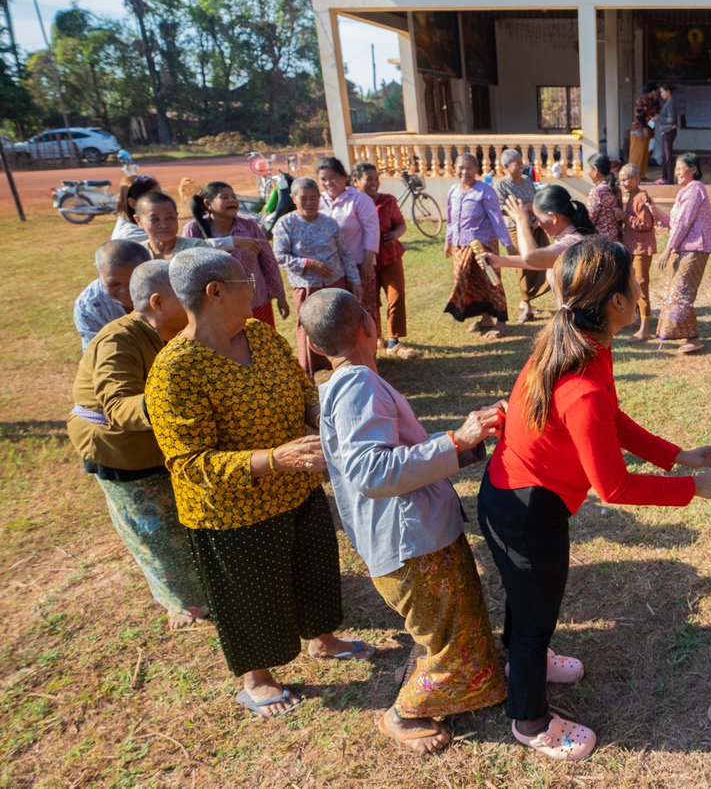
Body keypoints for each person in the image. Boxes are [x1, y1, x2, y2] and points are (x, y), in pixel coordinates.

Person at [477, 236, 711, 760]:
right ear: (617, 304)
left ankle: (520, 660)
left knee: (530, 598)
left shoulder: (581, 342)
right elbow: (614, 487)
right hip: (525, 508)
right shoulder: (580, 374)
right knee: (536, 611)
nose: (640, 287)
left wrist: (680, 457)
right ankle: (530, 720)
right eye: (633, 283)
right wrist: (697, 489)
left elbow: (610, 421)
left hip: (524, 498)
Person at [146, 248, 371, 719]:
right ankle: (258, 678)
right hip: (232, 511)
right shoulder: (174, 371)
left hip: (297, 487)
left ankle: (323, 640)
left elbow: (300, 385)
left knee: (312, 567)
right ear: (214, 293)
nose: (255, 288)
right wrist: (276, 459)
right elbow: (189, 462)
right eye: (245, 282)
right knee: (251, 593)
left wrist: (318, 414)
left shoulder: (259, 335)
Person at [302, 289, 507, 754]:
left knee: (456, 631)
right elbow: (373, 471)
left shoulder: (348, 383)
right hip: (411, 543)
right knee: (452, 645)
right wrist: (456, 439)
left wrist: (460, 441)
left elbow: (392, 455)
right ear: (368, 326)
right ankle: (404, 712)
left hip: (416, 537)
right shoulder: (358, 385)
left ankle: (442, 680)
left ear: (316, 346)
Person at [68, 260, 208, 629]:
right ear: (158, 302)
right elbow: (117, 407)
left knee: (186, 522)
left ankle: (205, 586)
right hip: (121, 450)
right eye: (186, 295)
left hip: (164, 444)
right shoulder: (118, 339)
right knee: (157, 534)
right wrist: (175, 400)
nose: (197, 302)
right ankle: (184, 604)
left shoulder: (184, 331)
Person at [272, 177, 362, 378]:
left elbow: (344, 253)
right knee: (308, 325)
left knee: (339, 322)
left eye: (314, 198)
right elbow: (279, 256)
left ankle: (344, 363)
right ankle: (309, 369)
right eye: (304, 198)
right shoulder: (286, 224)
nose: (310, 203)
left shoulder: (329, 222)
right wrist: (308, 263)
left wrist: (354, 280)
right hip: (307, 285)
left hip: (334, 282)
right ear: (294, 199)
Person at [184, 181, 290, 328]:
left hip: (257, 302)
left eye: (233, 196)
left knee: (263, 346)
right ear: (208, 204)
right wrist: (232, 242)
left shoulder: (249, 224)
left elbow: (268, 260)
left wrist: (280, 295)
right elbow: (188, 261)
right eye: (225, 197)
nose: (232, 200)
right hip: (217, 307)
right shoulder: (193, 229)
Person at [350, 162, 416, 358]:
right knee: (371, 301)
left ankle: (394, 340)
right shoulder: (352, 204)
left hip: (389, 256)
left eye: (376, 179)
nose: (374, 183)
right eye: (368, 179)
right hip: (365, 259)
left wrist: (395, 234)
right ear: (355, 182)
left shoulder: (388, 201)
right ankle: (375, 337)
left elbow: (402, 225)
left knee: (396, 295)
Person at [443, 153, 512, 339]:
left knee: (491, 280)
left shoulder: (485, 192)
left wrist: (508, 244)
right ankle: (485, 318)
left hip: (483, 245)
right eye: (461, 167)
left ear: (476, 170)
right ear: (454, 169)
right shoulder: (453, 191)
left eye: (469, 168)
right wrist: (448, 242)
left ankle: (501, 321)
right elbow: (450, 220)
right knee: (467, 280)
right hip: (460, 245)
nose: (465, 171)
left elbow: (496, 219)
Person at [490, 185, 594, 304]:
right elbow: (541, 261)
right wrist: (500, 261)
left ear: (553, 218)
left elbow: (531, 256)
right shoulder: (567, 239)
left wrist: (521, 220)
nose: (538, 224)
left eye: (538, 218)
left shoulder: (572, 242)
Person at [657, 153, 711, 354]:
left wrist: (668, 248)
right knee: (677, 289)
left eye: (681, 168)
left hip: (695, 247)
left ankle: (693, 337)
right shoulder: (685, 192)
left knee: (681, 290)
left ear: (694, 170)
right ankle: (683, 333)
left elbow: (684, 222)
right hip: (685, 247)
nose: (677, 172)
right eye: (676, 169)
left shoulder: (695, 189)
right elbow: (675, 222)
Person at [317, 156, 381, 326]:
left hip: (359, 263)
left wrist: (368, 261)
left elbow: (372, 230)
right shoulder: (318, 201)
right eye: (323, 179)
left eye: (332, 178)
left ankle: (368, 347)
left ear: (344, 177)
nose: (328, 183)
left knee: (364, 307)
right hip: (331, 268)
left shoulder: (359, 199)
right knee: (339, 310)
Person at [495, 149, 551, 324]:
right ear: (505, 167)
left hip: (535, 226)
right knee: (523, 264)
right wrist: (523, 211)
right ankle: (526, 305)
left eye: (521, 162)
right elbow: (502, 208)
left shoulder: (527, 180)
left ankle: (528, 297)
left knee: (544, 260)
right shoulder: (501, 185)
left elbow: (536, 201)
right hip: (516, 228)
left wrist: (533, 214)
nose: (521, 166)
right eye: (517, 163)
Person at [618, 163, 667, 341]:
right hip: (632, 247)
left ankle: (645, 329)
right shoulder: (632, 195)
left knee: (641, 287)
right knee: (632, 284)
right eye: (621, 179)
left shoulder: (641, 197)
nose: (623, 183)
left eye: (626, 179)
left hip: (641, 249)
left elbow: (645, 224)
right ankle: (636, 320)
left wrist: (624, 216)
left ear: (637, 179)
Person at [74, 240, 151, 351]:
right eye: (113, 284)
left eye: (134, 282)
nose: (126, 291)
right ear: (99, 271)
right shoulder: (87, 306)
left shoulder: (167, 288)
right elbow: (95, 354)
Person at [133, 193, 205, 260]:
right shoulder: (135, 254)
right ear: (138, 221)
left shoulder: (196, 248)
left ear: (176, 216)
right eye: (155, 219)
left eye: (169, 218)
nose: (164, 225)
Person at [585, 153, 623, 242]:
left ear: (595, 170)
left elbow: (590, 219)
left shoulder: (597, 192)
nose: (587, 171)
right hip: (616, 237)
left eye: (588, 168)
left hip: (601, 241)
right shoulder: (616, 188)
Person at [111, 174, 161, 241]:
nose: (163, 201)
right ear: (133, 204)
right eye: (155, 198)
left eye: (162, 196)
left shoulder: (131, 222)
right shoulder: (132, 236)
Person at [629, 82, 658, 177]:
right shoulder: (642, 100)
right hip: (639, 130)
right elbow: (640, 115)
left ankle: (641, 175)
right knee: (637, 153)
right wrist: (645, 128)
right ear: (652, 91)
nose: (656, 93)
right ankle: (632, 175)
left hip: (647, 130)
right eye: (655, 91)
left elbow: (652, 115)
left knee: (644, 154)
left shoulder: (652, 101)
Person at [656, 84, 678, 185]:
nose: (661, 94)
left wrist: (659, 118)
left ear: (668, 91)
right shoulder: (668, 102)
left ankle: (669, 179)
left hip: (668, 132)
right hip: (665, 131)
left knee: (668, 156)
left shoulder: (671, 103)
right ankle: (665, 177)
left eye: (662, 92)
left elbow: (672, 119)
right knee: (665, 156)